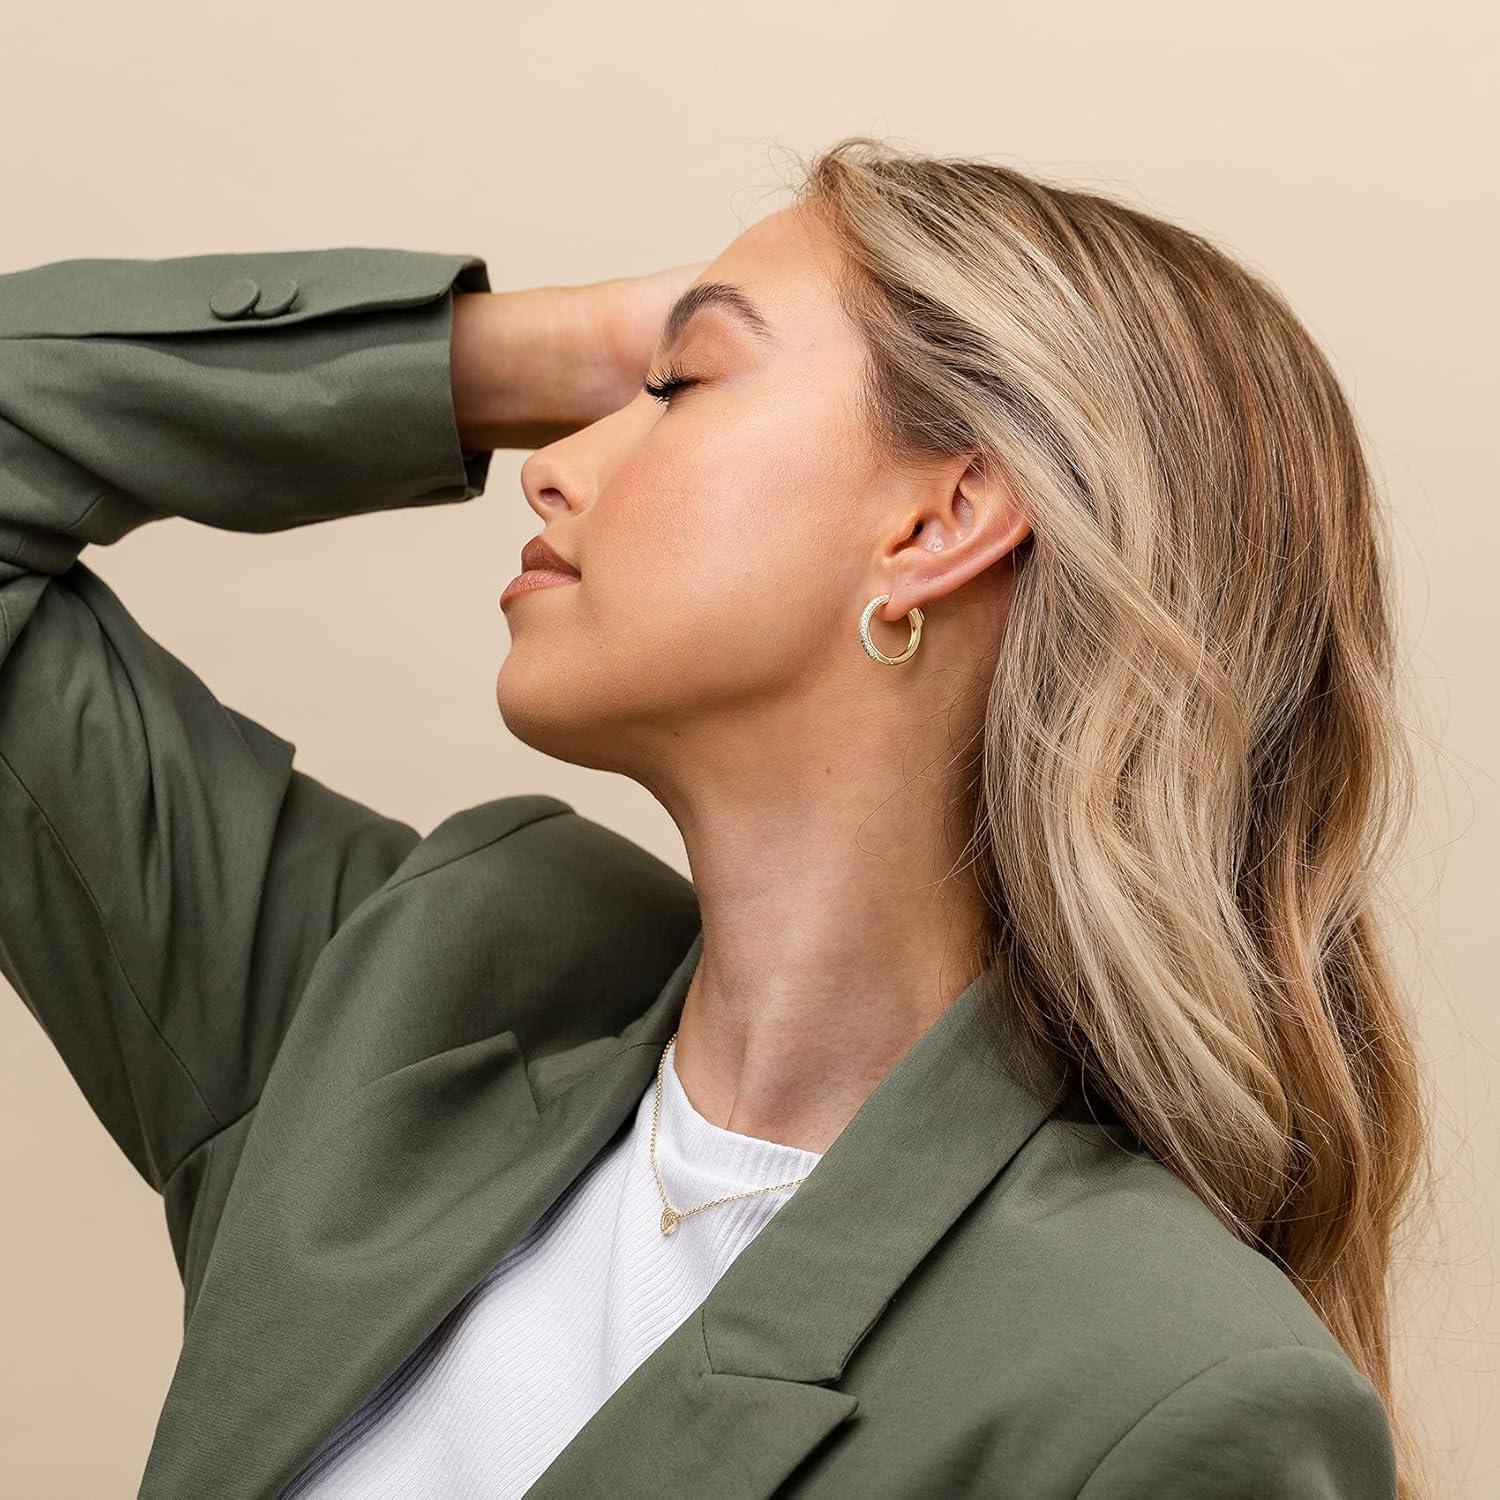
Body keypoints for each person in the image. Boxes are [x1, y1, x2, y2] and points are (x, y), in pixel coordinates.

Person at [0, 135, 1428, 1498]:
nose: (553, 460)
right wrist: (518, 352)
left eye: (678, 387)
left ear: (938, 523)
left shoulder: (1156, 1388)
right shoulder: (414, 1002)